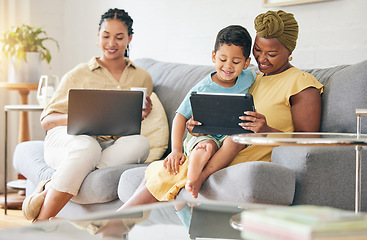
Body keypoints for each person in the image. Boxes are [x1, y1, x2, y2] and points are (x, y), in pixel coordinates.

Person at [82, 9, 324, 236]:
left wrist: (267, 130)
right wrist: (198, 124)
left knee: (168, 173)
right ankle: (117, 228)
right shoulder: (251, 77)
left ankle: (114, 226)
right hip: (217, 147)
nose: (262, 59)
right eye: (258, 51)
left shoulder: (302, 84)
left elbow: (309, 144)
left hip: (238, 154)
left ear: (290, 51)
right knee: (163, 170)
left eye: (271, 54)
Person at [22, 8, 154, 222]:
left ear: (129, 38)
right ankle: (41, 223)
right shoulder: (78, 74)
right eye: (106, 36)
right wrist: (80, 119)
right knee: (87, 146)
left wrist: (143, 114)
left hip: (106, 145)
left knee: (141, 144)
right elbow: (47, 121)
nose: (111, 43)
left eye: (119, 37)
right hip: (67, 138)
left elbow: (127, 122)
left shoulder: (142, 77)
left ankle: (50, 188)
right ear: (97, 37)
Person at [164, 25, 255, 199]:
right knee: (207, 146)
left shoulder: (249, 77)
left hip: (229, 135)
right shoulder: (203, 87)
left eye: (236, 62)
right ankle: (194, 172)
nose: (228, 66)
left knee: (237, 140)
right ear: (213, 56)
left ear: (246, 63)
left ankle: (201, 176)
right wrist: (176, 150)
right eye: (222, 59)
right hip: (204, 135)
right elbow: (180, 116)